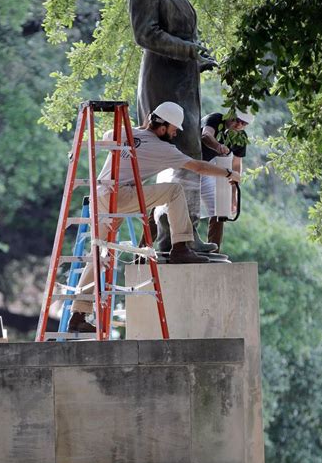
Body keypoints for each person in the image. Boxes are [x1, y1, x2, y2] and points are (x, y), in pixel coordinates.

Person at [68, 101, 240, 333]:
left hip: (101, 195)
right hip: (120, 196)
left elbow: (109, 136)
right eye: (173, 129)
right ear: (162, 125)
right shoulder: (163, 149)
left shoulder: (125, 133)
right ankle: (181, 246)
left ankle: (78, 314)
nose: (176, 133)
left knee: (100, 253)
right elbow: (198, 167)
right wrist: (228, 173)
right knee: (174, 190)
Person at [128, 0, 217, 254]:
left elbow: (181, 33)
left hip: (182, 83)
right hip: (162, 86)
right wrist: (189, 51)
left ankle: (184, 235)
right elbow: (145, 35)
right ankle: (172, 237)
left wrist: (198, 56)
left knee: (188, 155)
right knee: (179, 156)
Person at [200, 108, 253, 252]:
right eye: (237, 120)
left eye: (244, 123)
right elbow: (205, 136)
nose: (239, 125)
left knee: (219, 208)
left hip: (206, 170)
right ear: (231, 115)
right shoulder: (215, 119)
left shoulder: (241, 138)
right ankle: (145, 249)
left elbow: (236, 165)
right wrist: (218, 146)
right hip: (187, 164)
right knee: (165, 208)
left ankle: (213, 251)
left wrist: (233, 195)